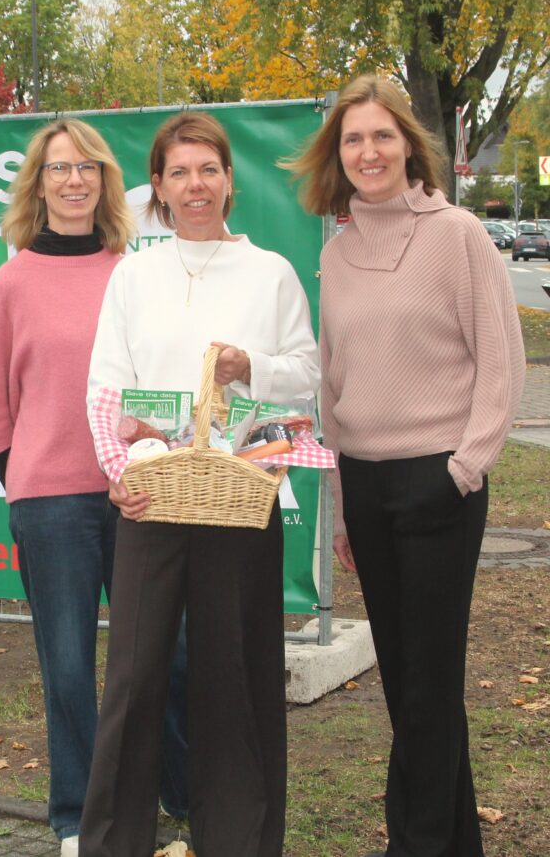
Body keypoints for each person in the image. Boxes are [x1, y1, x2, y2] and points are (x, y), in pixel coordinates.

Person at [286, 75, 525, 857]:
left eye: (382, 135)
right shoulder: (338, 252)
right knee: (408, 688)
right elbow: (333, 382)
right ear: (338, 154)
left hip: (440, 482)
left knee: (427, 687)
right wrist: (343, 508)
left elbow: (503, 361)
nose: (368, 150)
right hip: (366, 480)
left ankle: (413, 844)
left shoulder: (457, 234)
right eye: (353, 138)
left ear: (408, 145)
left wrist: (464, 467)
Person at [79, 111, 320, 857]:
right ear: (157, 185)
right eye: (179, 172)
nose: (195, 185)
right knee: (134, 681)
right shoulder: (134, 274)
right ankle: (115, 843)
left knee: (235, 679)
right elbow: (105, 388)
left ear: (229, 180)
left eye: (208, 169)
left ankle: (239, 839)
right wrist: (118, 478)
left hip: (239, 503)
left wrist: (254, 368)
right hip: (152, 500)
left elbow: (308, 377)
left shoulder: (271, 272)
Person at [0, 118, 188, 857]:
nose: (73, 180)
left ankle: (178, 791)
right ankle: (77, 813)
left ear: (104, 181)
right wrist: (25, 477)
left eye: (87, 167)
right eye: (59, 168)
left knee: (163, 650)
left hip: (140, 493)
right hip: (50, 503)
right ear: (39, 183)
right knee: (66, 662)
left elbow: (157, 378)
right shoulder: (10, 282)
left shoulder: (136, 273)